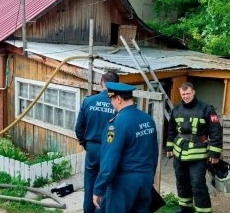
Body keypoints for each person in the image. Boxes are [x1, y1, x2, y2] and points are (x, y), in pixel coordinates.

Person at [93, 82, 158, 212]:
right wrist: (150, 176)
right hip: (145, 178)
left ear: (118, 99)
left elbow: (109, 160)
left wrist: (99, 188)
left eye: (112, 99)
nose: (112, 103)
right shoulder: (148, 119)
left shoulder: (117, 124)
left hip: (124, 182)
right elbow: (154, 152)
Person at [166, 82, 222, 213]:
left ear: (194, 92)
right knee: (181, 181)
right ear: (180, 94)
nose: (186, 96)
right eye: (183, 94)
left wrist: (215, 153)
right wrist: (169, 148)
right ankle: (185, 208)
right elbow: (171, 130)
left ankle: (203, 210)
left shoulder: (207, 109)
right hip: (179, 153)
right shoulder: (176, 109)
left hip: (198, 154)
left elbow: (216, 131)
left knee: (198, 184)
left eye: (188, 93)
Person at [75, 71, 119, 213]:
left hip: (92, 148)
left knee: (90, 186)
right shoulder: (118, 104)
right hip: (110, 149)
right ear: (116, 85)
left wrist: (85, 144)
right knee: (106, 186)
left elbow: (78, 128)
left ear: (102, 83)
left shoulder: (88, 101)